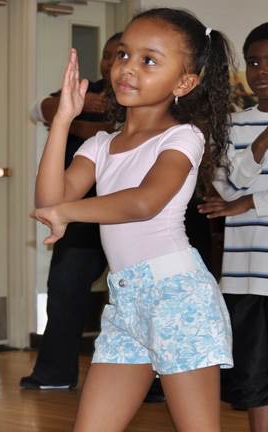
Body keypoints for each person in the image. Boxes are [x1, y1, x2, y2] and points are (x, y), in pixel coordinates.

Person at [32, 8, 234, 431]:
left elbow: (145, 202)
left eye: (149, 60)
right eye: (124, 54)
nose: (127, 68)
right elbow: (50, 199)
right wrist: (63, 120)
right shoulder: (101, 144)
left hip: (177, 298)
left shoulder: (183, 137)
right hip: (125, 303)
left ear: (184, 83)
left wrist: (66, 213)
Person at [20, 33, 120, 391]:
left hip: (127, 215)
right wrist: (71, 113)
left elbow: (112, 132)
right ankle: (55, 373)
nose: (112, 62)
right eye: (109, 55)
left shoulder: (146, 104)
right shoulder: (87, 91)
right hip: (76, 213)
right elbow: (40, 108)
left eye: (121, 55)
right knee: (64, 287)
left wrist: (85, 122)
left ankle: (154, 381)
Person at [199, 22, 268, 432]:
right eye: (254, 62)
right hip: (247, 277)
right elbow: (226, 187)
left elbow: (238, 198)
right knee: (257, 380)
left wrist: (250, 202)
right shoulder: (233, 125)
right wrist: (262, 141)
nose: (261, 71)